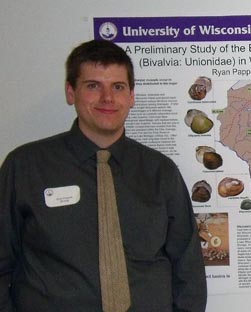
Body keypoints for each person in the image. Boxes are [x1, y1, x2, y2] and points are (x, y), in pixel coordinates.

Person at [0, 40, 207, 311]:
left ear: (131, 96)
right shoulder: (25, 166)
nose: (107, 98)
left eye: (118, 87)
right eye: (93, 85)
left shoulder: (160, 172)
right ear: (71, 92)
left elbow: (188, 269)